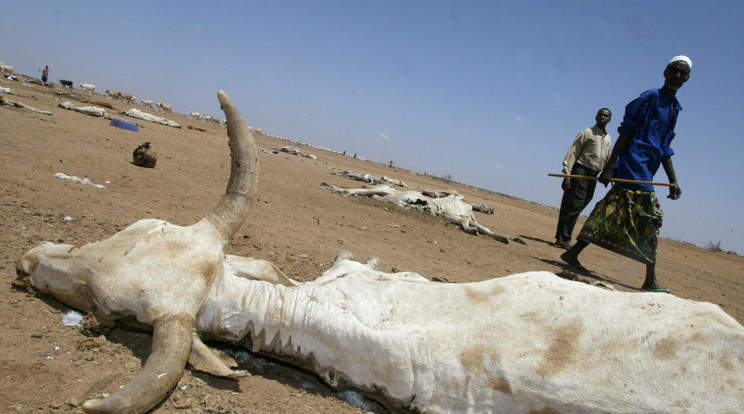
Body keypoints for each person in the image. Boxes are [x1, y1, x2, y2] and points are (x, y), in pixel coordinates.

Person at [560, 55, 691, 293]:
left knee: (612, 211)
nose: (678, 76)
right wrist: (611, 166)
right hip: (633, 165)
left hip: (647, 170)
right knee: (652, 218)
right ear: (665, 71)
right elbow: (626, 132)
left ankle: (573, 251)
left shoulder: (675, 108)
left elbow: (665, 148)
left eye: (683, 74)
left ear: (687, 79)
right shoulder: (649, 97)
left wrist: (673, 179)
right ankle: (650, 279)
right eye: (674, 71)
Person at [554, 108, 613, 248]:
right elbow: (573, 153)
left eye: (606, 116)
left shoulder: (609, 138)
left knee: (579, 205)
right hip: (580, 171)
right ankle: (564, 239)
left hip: (594, 176)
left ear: (610, 120)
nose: (603, 117)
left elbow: (607, 159)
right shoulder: (587, 133)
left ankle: (562, 236)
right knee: (573, 205)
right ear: (596, 117)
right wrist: (567, 175)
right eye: (601, 115)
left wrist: (609, 176)